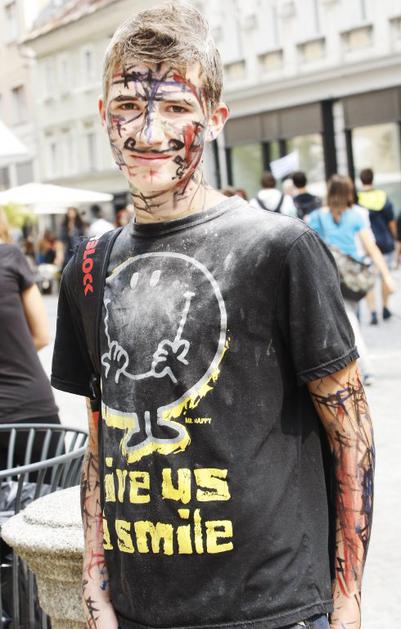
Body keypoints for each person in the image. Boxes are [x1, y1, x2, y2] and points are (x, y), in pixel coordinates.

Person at [51, 5, 375, 629]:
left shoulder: (279, 249)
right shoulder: (88, 267)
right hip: (140, 612)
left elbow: (351, 433)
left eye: (176, 107)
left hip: (275, 611)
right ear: (103, 115)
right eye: (128, 105)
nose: (149, 131)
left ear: (215, 119)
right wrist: (97, 592)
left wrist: (348, 603)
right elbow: (100, 439)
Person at [308, 175, 395, 384]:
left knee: (349, 323)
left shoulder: (317, 217)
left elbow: (310, 248)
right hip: (352, 278)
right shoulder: (355, 216)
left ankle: (362, 368)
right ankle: (363, 368)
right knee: (352, 320)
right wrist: (386, 275)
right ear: (348, 193)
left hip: (329, 275)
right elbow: (371, 248)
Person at [0, 208, 60, 467]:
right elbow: (42, 335)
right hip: (30, 408)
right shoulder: (9, 257)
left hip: (25, 413)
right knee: (47, 490)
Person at [358, 168, 397, 323]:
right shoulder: (382, 196)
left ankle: (373, 311)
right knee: (385, 274)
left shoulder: (358, 199)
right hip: (385, 243)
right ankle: (385, 307)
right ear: (372, 179)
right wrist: (394, 238)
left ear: (361, 180)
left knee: (369, 279)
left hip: (367, 245)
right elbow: (391, 221)